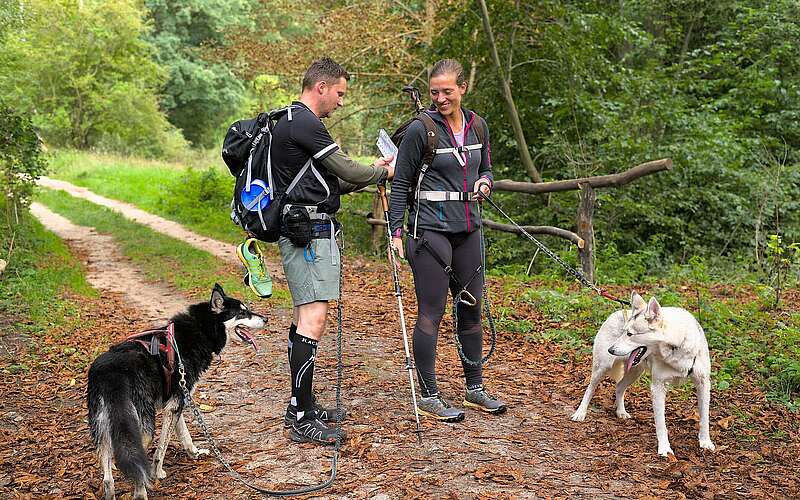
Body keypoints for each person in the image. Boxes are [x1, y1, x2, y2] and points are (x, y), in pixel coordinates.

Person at [237, 57, 394, 445]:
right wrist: (384, 172)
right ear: (320, 87)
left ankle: (300, 404)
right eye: (339, 93)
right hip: (307, 235)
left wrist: (368, 171)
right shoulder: (306, 123)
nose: (341, 101)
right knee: (313, 321)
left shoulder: (289, 121)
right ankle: (302, 416)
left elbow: (330, 185)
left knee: (303, 318)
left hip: (306, 227)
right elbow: (348, 170)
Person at [388, 58, 506, 422]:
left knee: (470, 310)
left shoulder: (478, 126)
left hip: (469, 230)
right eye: (435, 92)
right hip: (429, 233)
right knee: (432, 314)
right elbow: (401, 184)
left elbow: (485, 168)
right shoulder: (421, 130)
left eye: (447, 91)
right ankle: (428, 394)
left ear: (463, 88)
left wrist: (485, 183)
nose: (440, 98)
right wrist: (395, 232)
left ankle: (474, 389)